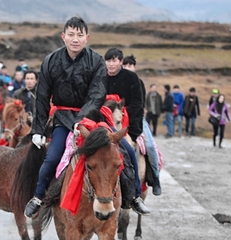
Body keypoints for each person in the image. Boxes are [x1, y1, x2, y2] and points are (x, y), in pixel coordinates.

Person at [24, 16, 107, 218]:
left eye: (80, 35)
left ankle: (128, 196)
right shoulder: (50, 61)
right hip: (62, 118)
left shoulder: (97, 61)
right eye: (71, 34)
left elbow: (97, 93)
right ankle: (38, 196)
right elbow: (42, 97)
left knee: (114, 154)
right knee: (51, 158)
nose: (75, 39)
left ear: (87, 37)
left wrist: (83, 118)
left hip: (89, 119)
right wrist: (37, 130)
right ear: (63, 37)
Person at [104, 47, 152, 211]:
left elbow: (138, 104)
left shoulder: (132, 79)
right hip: (102, 123)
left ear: (120, 62)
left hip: (125, 123)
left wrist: (132, 130)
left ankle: (138, 192)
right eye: (109, 60)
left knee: (140, 150)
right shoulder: (99, 77)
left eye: (114, 60)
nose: (111, 64)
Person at [121, 55, 162, 196]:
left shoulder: (138, 83)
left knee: (150, 146)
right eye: (125, 65)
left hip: (137, 119)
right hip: (118, 119)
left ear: (134, 67)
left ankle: (155, 177)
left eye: (130, 65)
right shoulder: (117, 81)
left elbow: (140, 105)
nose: (128, 68)